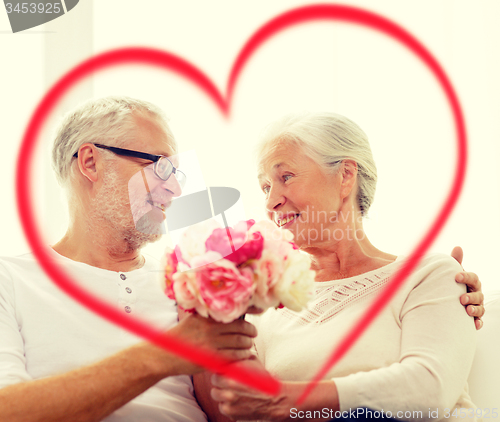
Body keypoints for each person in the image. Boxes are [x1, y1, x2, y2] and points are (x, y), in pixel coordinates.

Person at [197, 112, 485, 421]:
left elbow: (430, 390)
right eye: (265, 187)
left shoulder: (429, 274)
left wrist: (288, 400)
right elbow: (242, 409)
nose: (270, 203)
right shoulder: (263, 305)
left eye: (286, 177)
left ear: (346, 175)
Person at [0, 96, 257, 422]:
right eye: (160, 165)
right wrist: (166, 353)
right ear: (90, 162)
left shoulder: (187, 281)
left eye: (177, 172)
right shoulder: (9, 279)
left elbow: (239, 413)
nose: (176, 188)